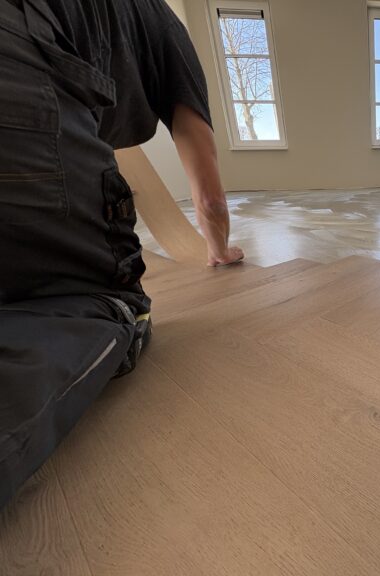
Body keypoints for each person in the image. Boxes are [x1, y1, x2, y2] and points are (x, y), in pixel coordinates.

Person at [0, 0, 242, 508]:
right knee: (93, 300)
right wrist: (219, 249)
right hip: (19, 67)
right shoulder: (167, 29)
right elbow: (210, 194)